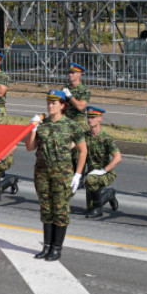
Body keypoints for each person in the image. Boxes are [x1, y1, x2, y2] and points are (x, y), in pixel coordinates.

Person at [24, 89, 87, 262]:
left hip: (62, 174)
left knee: (60, 211)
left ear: (62, 105)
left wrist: (78, 174)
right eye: (48, 102)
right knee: (46, 209)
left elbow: (83, 151)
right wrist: (33, 129)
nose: (50, 106)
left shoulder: (72, 125)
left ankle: (56, 248)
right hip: (42, 173)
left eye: (54, 103)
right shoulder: (42, 125)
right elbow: (29, 147)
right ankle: (46, 246)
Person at [82, 106, 122, 218]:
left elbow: (117, 157)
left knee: (90, 181)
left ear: (100, 118)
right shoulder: (85, 136)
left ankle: (99, 208)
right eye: (88, 117)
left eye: (93, 117)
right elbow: (74, 147)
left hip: (106, 174)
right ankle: (109, 195)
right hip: (91, 174)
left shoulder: (106, 138)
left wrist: (103, 170)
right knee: (89, 207)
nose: (90, 119)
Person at [62, 62, 90, 128]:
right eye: (69, 72)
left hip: (78, 119)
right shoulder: (65, 88)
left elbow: (80, 107)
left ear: (79, 74)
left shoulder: (84, 90)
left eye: (72, 73)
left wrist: (70, 96)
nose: (70, 75)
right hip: (65, 117)